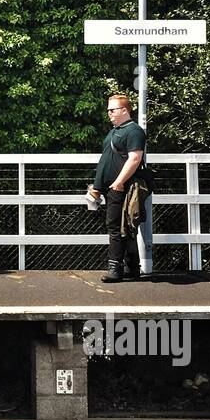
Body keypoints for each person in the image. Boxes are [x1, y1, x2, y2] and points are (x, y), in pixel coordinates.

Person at [86, 93, 149, 283]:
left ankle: (116, 268)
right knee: (126, 227)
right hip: (114, 187)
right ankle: (132, 267)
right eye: (108, 110)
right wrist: (97, 187)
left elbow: (135, 158)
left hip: (123, 187)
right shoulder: (115, 131)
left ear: (124, 110)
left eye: (112, 110)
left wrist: (119, 182)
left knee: (116, 227)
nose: (109, 113)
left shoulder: (134, 131)